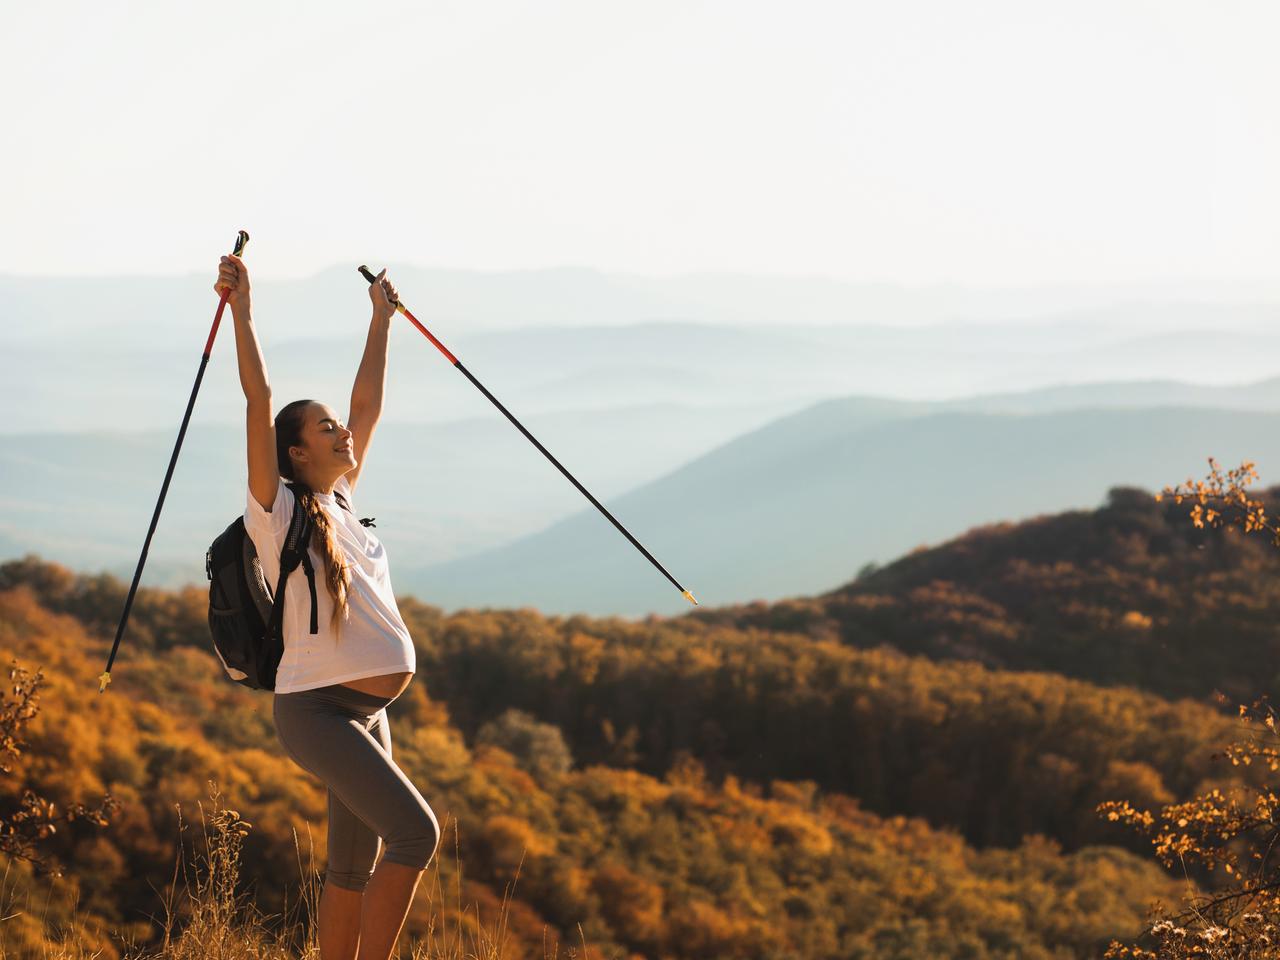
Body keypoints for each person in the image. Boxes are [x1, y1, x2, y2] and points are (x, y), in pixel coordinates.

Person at [215, 253, 440, 960]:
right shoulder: (277, 513)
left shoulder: (342, 502)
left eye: (338, 424)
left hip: (364, 713)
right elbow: (258, 399)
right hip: (316, 709)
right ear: (295, 452)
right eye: (326, 427)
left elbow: (368, 402)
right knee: (416, 835)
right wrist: (242, 313)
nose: (344, 431)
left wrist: (381, 320)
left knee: (351, 867)